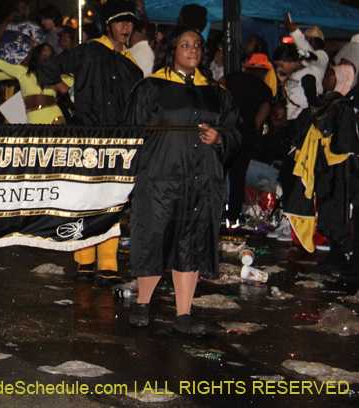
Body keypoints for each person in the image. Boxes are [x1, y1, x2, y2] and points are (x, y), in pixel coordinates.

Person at [126, 27, 240, 336]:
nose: (193, 50)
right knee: (154, 235)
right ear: (172, 50)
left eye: (198, 45)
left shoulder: (217, 93)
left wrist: (219, 137)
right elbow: (132, 134)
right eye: (185, 45)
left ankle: (184, 313)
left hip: (201, 180)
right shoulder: (150, 88)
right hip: (160, 177)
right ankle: (143, 302)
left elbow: (235, 131)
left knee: (191, 239)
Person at [37, 0, 143, 287]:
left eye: (130, 21)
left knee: (112, 201)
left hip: (119, 143)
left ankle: (108, 261)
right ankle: (84, 259)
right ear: (108, 25)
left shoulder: (132, 66)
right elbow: (45, 69)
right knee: (85, 200)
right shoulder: (88, 51)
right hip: (86, 137)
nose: (126, 27)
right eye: (121, 21)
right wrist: (66, 92)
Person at [219, 53, 274, 224]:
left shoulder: (232, 77)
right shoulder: (265, 90)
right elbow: (263, 113)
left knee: (219, 172)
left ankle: (217, 211)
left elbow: (219, 87)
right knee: (238, 175)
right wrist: (252, 130)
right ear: (265, 72)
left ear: (246, 67)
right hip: (244, 132)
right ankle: (234, 216)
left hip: (226, 129)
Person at [0, 44, 64, 124]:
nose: (46, 58)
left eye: (50, 55)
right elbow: (1, 64)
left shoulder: (57, 74)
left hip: (55, 116)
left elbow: (71, 84)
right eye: (44, 54)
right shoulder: (23, 72)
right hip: (34, 118)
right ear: (37, 56)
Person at [272, 43, 317, 121]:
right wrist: (282, 82)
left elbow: (311, 102)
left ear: (291, 62)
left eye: (281, 65)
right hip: (291, 118)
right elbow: (285, 99)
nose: (278, 69)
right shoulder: (292, 75)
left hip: (302, 120)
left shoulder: (307, 76)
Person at [0, 0, 43, 65]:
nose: (19, 10)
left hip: (23, 70)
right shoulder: (4, 25)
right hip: (3, 68)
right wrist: (6, 21)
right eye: (17, 8)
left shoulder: (35, 28)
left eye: (23, 8)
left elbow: (38, 51)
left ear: (28, 10)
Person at [285, 15, 327, 94]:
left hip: (314, 94)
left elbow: (315, 58)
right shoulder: (306, 53)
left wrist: (307, 55)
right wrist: (294, 31)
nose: (307, 42)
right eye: (306, 39)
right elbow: (303, 45)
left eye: (310, 39)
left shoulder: (323, 55)